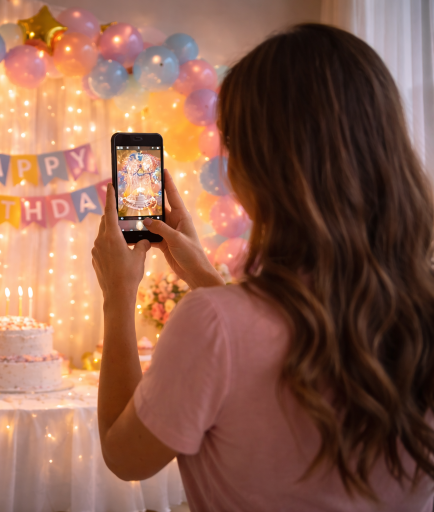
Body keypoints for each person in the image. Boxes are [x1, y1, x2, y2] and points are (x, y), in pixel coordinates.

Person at [92, 23, 434, 511]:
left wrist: (118, 295)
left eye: (231, 141)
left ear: (260, 165)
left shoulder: (212, 325)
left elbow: (124, 456)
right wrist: (207, 279)